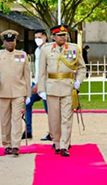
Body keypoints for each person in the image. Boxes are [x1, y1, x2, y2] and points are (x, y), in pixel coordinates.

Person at [37, 24, 86, 157]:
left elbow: (82, 67)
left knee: (67, 117)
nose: (63, 37)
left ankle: (64, 145)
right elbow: (41, 72)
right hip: (52, 87)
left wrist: (78, 80)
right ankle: (57, 142)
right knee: (54, 118)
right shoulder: (46, 50)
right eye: (59, 35)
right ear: (53, 36)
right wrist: (41, 89)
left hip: (68, 87)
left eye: (64, 35)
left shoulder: (74, 48)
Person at [0, 30, 31, 156]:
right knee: (5, 120)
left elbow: (27, 75)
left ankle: (15, 145)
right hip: (4, 91)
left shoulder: (22, 55)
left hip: (19, 91)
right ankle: (7, 144)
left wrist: (28, 93)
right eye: (8, 41)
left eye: (12, 41)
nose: (10, 43)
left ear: (15, 41)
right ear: (4, 42)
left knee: (16, 119)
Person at [24, 29, 51, 141]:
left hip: (46, 85)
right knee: (27, 103)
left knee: (49, 110)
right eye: (35, 38)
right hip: (36, 83)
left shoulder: (49, 49)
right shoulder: (37, 50)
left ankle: (52, 132)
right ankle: (28, 131)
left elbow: (47, 69)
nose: (37, 40)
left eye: (39, 37)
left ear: (45, 37)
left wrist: (39, 84)